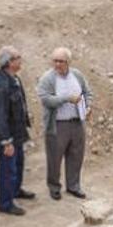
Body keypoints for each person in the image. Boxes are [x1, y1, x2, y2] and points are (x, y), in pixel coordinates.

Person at [37, 47, 93, 201]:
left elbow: (87, 92)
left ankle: (73, 186)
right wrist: (66, 98)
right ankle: (54, 187)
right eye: (55, 61)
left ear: (68, 62)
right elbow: (45, 99)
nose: (57, 64)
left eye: (61, 61)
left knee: (76, 155)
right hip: (57, 125)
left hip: (77, 123)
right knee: (54, 158)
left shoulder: (77, 75)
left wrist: (88, 106)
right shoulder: (47, 79)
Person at [0, 46, 35, 216]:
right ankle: (5, 203)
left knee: (18, 162)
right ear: (9, 62)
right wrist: (6, 141)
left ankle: (15, 190)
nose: (21, 60)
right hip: (6, 135)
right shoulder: (1, 83)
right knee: (8, 168)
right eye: (18, 57)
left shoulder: (14, 79)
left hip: (17, 131)